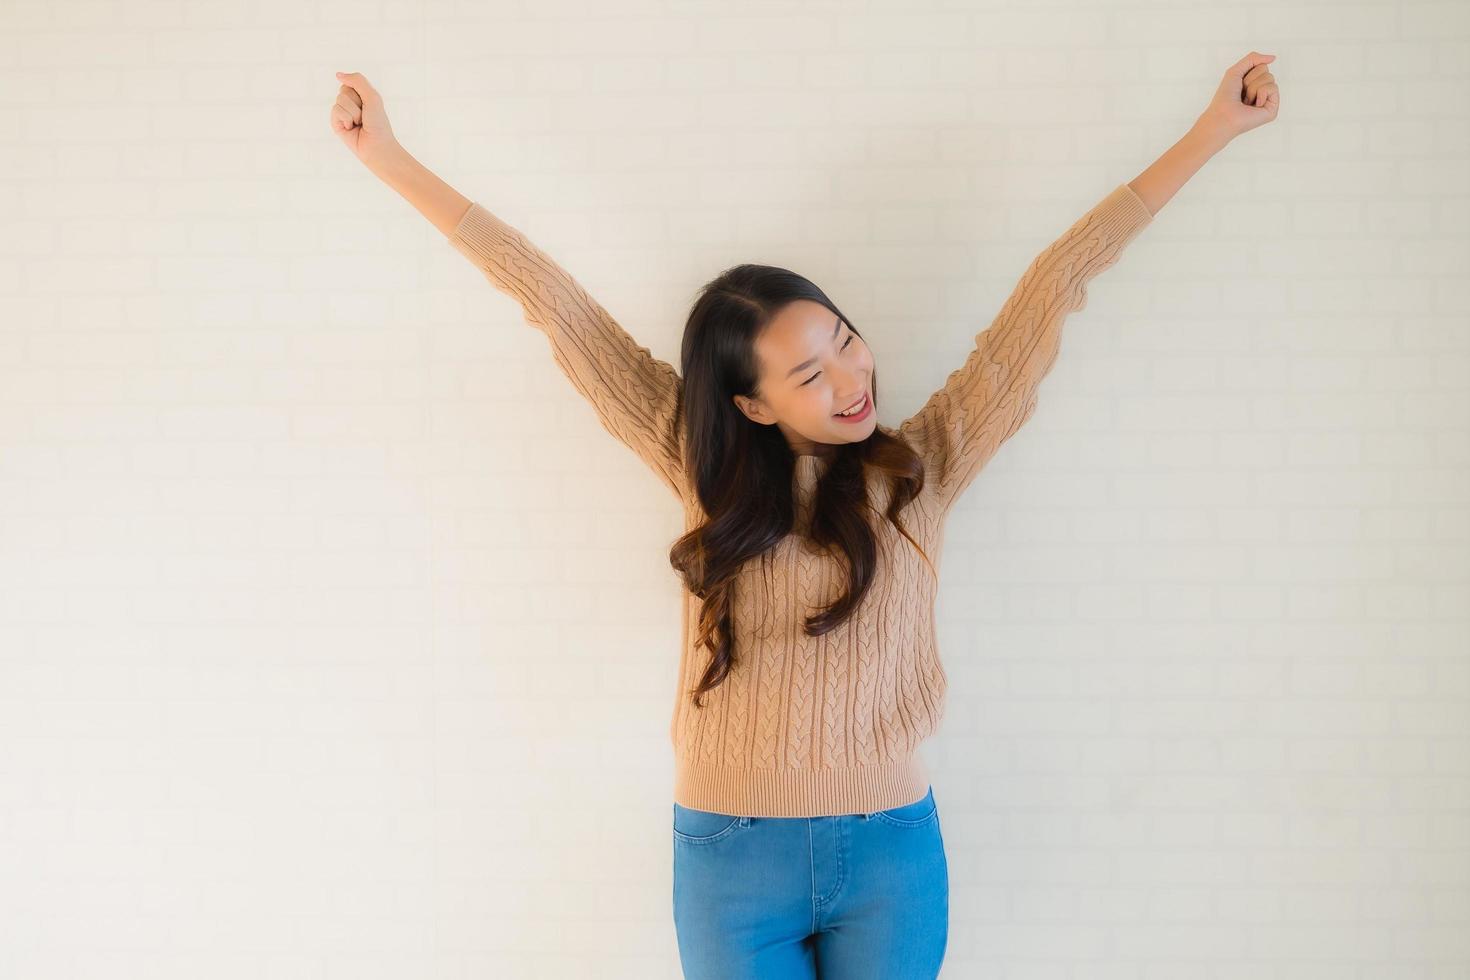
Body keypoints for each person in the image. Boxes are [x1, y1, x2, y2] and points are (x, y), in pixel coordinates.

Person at [328, 52, 1279, 979]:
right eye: (809, 374)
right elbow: (558, 308)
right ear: (752, 404)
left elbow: (1052, 287)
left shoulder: (927, 465)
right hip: (729, 860)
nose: (851, 380)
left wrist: (1214, 129)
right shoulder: (703, 469)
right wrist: (391, 161)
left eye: (847, 343)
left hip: (890, 857)